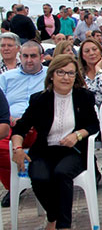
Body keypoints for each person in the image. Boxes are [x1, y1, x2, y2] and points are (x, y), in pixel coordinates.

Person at [11, 54, 99, 230]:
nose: (66, 77)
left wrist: (77, 135)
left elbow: (93, 125)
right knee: (38, 176)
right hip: (45, 150)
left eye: (71, 73)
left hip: (73, 151)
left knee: (62, 173)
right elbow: (20, 128)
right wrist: (18, 148)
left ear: (76, 76)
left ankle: (63, 226)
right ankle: (53, 217)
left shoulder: (84, 97)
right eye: (61, 72)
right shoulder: (39, 99)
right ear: (51, 75)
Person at [0, 41, 47, 206]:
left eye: (33, 56)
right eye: (25, 56)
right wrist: (9, 118)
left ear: (41, 57)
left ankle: (36, 178)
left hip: (40, 126)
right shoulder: (5, 78)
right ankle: (15, 186)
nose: (29, 60)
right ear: (20, 57)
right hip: (12, 125)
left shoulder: (51, 75)